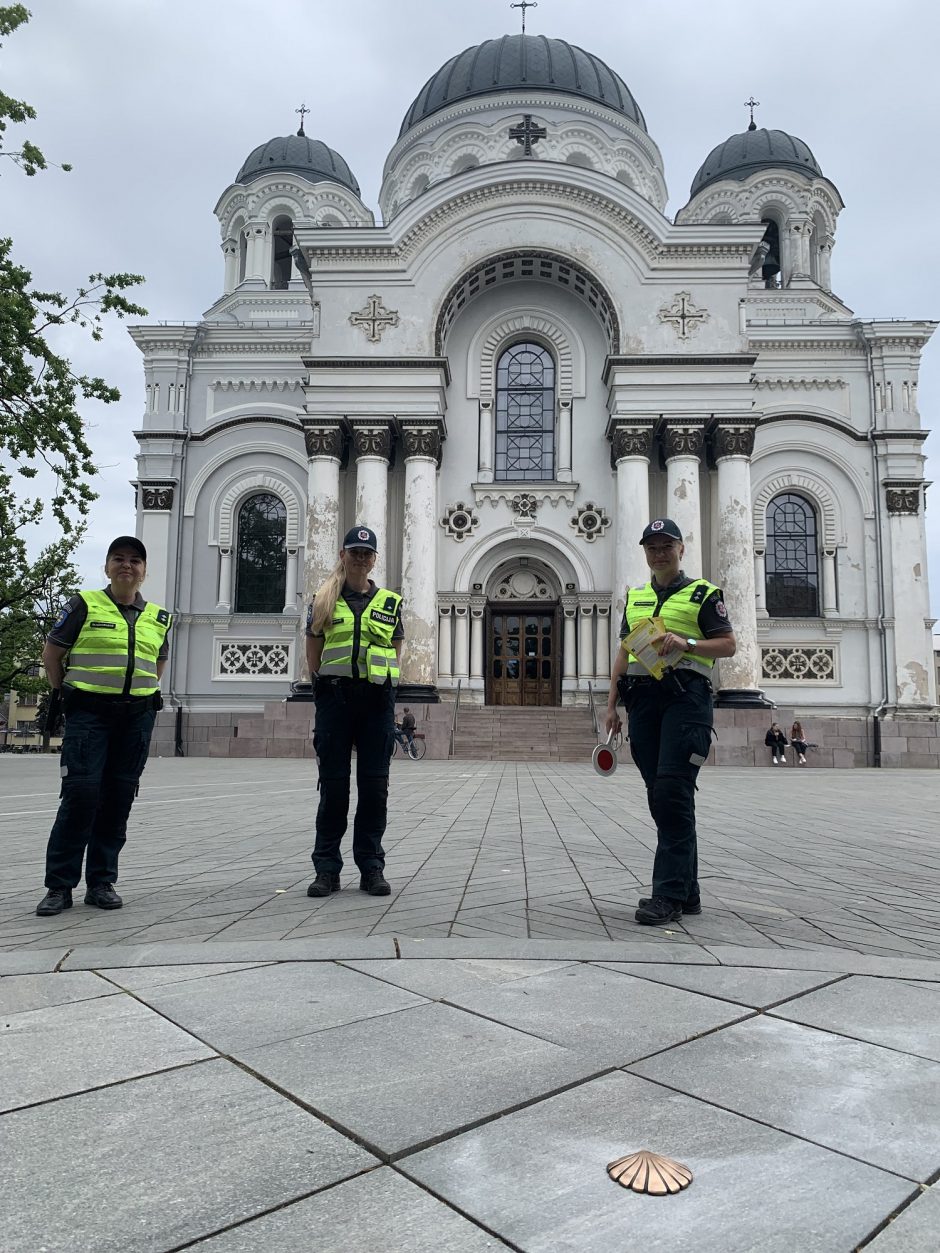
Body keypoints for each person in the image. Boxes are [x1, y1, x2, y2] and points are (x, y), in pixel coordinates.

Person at [605, 518, 736, 926]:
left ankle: (667, 894)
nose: (659, 554)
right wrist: (611, 706)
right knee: (660, 794)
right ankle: (689, 891)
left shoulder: (703, 594)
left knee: (671, 793)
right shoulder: (637, 596)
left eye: (667, 546)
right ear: (645, 552)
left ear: (681, 550)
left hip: (687, 699)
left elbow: (729, 645)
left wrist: (688, 642)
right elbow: (625, 652)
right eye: (652, 547)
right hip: (643, 702)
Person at [35, 537, 171, 916]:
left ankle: (101, 882)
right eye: (119, 559)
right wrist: (66, 694)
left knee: (118, 799)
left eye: (134, 560)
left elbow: (157, 663)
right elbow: (52, 654)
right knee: (80, 796)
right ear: (107, 566)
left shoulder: (159, 617)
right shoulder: (84, 604)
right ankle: (59, 887)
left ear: (144, 570)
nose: (127, 566)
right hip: (89, 716)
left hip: (136, 718)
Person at [305, 526, 403, 898]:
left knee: (375, 789)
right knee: (334, 789)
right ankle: (327, 869)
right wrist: (323, 690)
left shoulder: (390, 603)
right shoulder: (323, 600)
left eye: (367, 553)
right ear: (343, 556)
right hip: (335, 700)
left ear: (374, 559)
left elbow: (396, 649)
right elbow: (313, 653)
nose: (360, 558)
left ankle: (371, 867)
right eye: (354, 551)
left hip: (377, 702)